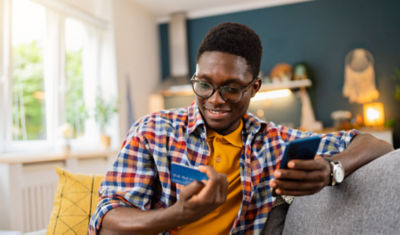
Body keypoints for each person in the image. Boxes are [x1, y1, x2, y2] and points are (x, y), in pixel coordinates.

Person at [89, 22, 393, 235]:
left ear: (255, 86)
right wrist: (179, 214)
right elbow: (106, 221)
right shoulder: (153, 131)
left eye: (231, 89)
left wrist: (331, 168)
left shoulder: (274, 142)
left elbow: (377, 144)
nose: (215, 100)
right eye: (204, 85)